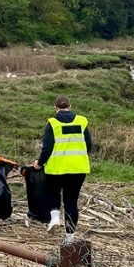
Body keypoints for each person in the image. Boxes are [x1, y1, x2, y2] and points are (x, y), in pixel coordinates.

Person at [31, 96, 91, 241]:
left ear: (56, 107)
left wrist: (39, 163)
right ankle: (69, 238)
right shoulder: (82, 121)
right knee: (71, 201)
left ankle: (55, 218)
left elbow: (47, 148)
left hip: (56, 169)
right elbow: (89, 145)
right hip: (78, 169)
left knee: (52, 193)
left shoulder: (52, 123)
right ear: (70, 106)